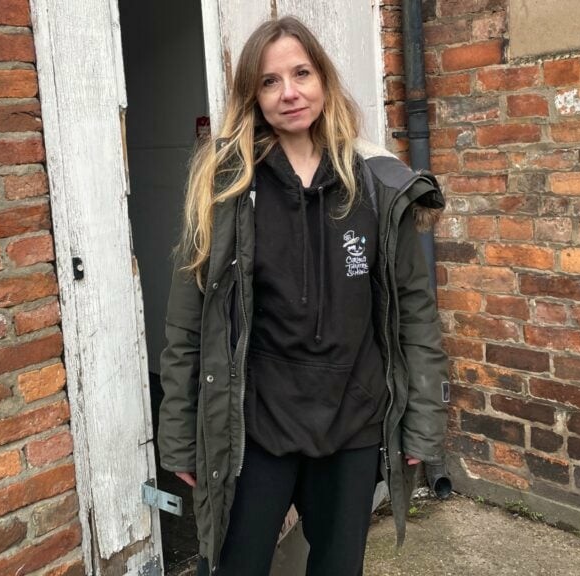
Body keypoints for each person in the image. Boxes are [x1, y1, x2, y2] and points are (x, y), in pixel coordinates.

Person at [158, 15, 448, 576]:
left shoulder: (379, 185)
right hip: (255, 427)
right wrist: (178, 434)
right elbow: (187, 324)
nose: (288, 93)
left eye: (301, 74)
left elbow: (415, 314)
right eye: (269, 81)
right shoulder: (225, 187)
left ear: (324, 80)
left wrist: (424, 420)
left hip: (353, 420)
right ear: (252, 95)